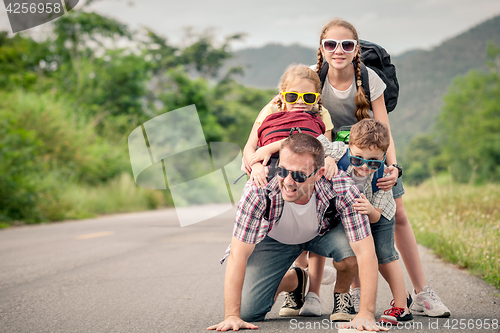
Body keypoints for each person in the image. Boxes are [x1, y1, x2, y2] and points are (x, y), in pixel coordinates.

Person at [313, 18, 450, 317]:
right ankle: (342, 292)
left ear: (356, 49)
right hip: (335, 157)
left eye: (347, 44)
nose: (339, 50)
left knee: (397, 215)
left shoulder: (368, 77)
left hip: (372, 154)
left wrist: (393, 169)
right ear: (322, 48)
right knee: (340, 219)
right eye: (331, 44)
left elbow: (384, 129)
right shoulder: (313, 79)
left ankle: (422, 293)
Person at [208, 133, 386, 332]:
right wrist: (231, 316)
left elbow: (366, 253)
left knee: (353, 252)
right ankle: (295, 280)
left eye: (300, 175)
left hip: (321, 234)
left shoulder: (343, 188)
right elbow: (238, 255)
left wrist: (367, 314)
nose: (289, 181)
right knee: (248, 312)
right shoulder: (257, 191)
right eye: (283, 171)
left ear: (319, 174)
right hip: (276, 241)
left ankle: (342, 292)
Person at [241, 64, 336, 317]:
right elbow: (251, 147)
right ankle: (296, 278)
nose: (300, 102)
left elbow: (319, 146)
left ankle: (314, 293)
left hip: (306, 183)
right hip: (275, 182)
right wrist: (256, 165)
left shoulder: (320, 114)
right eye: (292, 96)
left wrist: (272, 147)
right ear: (282, 94)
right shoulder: (271, 109)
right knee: (247, 310)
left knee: (313, 219)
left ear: (317, 98)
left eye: (309, 97)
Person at [318, 119, 413, 324]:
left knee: (385, 255)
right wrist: (327, 158)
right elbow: (316, 142)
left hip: (379, 212)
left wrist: (370, 210)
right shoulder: (339, 151)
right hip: (353, 212)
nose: (363, 166)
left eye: (373, 161)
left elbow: (376, 216)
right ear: (349, 148)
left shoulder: (382, 175)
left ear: (383, 158)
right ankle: (359, 294)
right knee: (358, 252)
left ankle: (401, 305)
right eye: (357, 159)